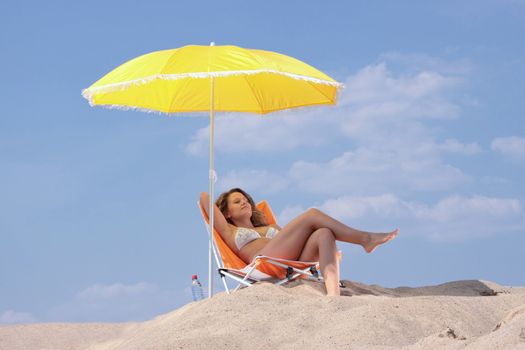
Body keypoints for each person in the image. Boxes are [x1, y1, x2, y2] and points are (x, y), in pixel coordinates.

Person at [200, 188, 398, 296]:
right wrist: (213, 180)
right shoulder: (229, 230)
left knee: (323, 233)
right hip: (265, 263)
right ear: (226, 212)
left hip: (290, 262)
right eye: (237, 201)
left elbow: (294, 239)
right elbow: (203, 197)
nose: (244, 202)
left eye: (245, 200)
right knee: (312, 214)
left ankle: (333, 294)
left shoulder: (267, 226)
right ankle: (365, 239)